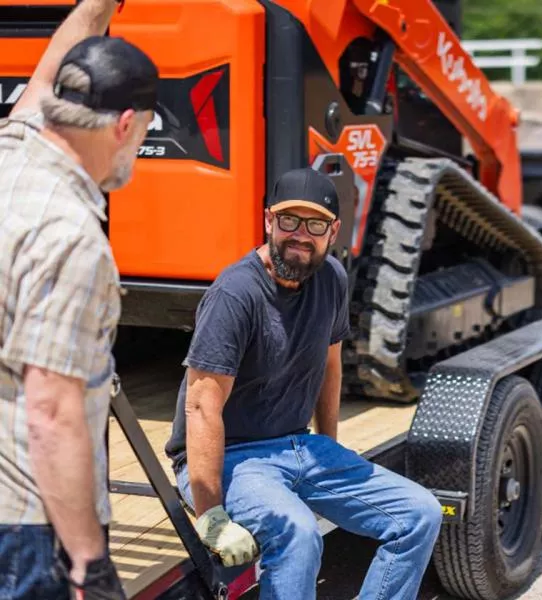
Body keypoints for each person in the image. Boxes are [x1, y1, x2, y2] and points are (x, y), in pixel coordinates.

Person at [164, 167, 444, 599]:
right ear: (268, 221)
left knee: (420, 513)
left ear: (332, 232)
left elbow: (329, 366)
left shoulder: (331, 278)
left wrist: (329, 446)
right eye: (289, 220)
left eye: (314, 224)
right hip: (234, 458)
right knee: (299, 534)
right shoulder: (235, 293)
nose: (299, 234)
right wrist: (210, 514)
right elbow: (201, 405)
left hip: (300, 447)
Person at [0, 3, 159, 597]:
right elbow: (52, 413)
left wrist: (100, 5)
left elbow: (44, 77)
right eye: (144, 131)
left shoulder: (12, 149)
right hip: (25, 523)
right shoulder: (72, 240)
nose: (138, 147)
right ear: (123, 125)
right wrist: (90, 561)